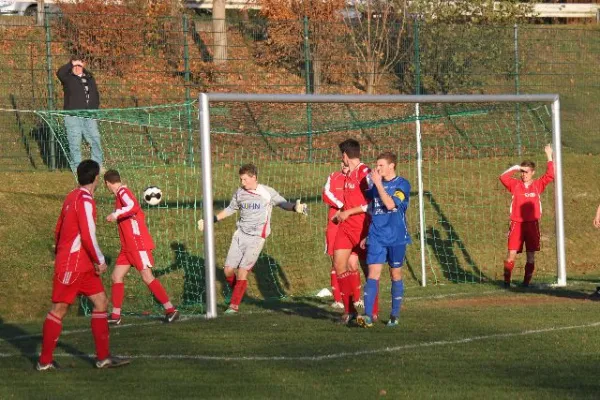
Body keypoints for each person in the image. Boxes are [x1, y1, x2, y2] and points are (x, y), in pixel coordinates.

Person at [37, 160, 130, 371]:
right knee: (59, 309)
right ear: (96, 178)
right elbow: (87, 235)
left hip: (81, 264)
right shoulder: (85, 200)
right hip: (75, 264)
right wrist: (101, 260)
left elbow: (58, 230)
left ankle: (104, 358)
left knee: (101, 301)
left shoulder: (71, 196)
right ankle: (44, 361)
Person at [197, 164, 308, 314]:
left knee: (243, 271)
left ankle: (233, 305)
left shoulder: (267, 192)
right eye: (241, 179)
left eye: (244, 179)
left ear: (253, 177)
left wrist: (295, 207)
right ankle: (238, 292)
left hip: (257, 237)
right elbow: (230, 209)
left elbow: (283, 203)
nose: (242, 183)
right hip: (240, 234)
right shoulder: (239, 193)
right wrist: (212, 220)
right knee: (228, 271)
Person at [103, 170, 179, 324]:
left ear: (107, 183)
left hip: (137, 245)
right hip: (127, 247)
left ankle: (171, 310)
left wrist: (115, 214)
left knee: (147, 276)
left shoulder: (123, 192)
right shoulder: (121, 193)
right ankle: (116, 316)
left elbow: (133, 205)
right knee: (116, 276)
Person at [357, 152, 411, 328]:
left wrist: (379, 185)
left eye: (381, 165)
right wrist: (368, 234)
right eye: (376, 165)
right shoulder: (374, 187)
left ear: (391, 166)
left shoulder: (402, 184)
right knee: (373, 274)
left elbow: (390, 205)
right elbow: (374, 210)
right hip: (377, 237)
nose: (377, 168)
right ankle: (367, 316)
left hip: (396, 237)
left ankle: (394, 315)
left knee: (395, 274)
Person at [500, 144, 554, 288]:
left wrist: (549, 156)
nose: (524, 175)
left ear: (533, 172)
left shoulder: (538, 185)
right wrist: (517, 167)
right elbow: (503, 177)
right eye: (522, 172)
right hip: (516, 224)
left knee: (530, 256)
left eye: (526, 172)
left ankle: (526, 283)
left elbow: (550, 175)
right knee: (511, 254)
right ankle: (506, 283)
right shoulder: (515, 185)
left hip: (532, 224)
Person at [331, 139, 371, 324]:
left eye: (342, 155)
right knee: (339, 265)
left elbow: (371, 203)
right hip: (345, 228)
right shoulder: (348, 174)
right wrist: (341, 212)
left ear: (346, 155)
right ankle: (349, 311)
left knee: (368, 269)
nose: (342, 158)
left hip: (362, 228)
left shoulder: (365, 173)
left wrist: (349, 212)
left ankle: (371, 310)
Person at [56, 56, 103, 172]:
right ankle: (76, 168)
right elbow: (60, 73)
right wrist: (72, 63)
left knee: (95, 139)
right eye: (74, 66)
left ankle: (97, 165)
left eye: (79, 65)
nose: (77, 68)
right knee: (75, 142)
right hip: (73, 116)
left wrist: (94, 108)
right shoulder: (68, 78)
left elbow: (95, 94)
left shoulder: (90, 77)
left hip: (89, 115)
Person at [322, 163, 349, 309]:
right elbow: (326, 193)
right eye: (343, 162)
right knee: (335, 260)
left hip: (352, 223)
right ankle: (338, 299)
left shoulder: (358, 178)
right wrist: (341, 205)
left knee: (352, 261)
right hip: (334, 223)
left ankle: (355, 298)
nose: (345, 165)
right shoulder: (333, 177)